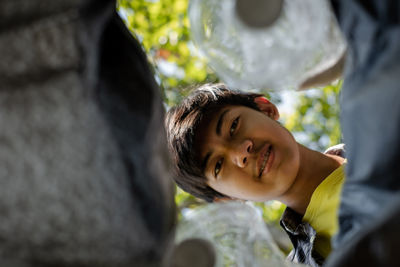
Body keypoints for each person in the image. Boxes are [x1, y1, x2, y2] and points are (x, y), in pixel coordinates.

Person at [166, 83, 345, 266]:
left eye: (233, 126)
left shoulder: (370, 121)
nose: (241, 153)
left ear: (265, 109)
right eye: (218, 165)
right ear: (228, 199)